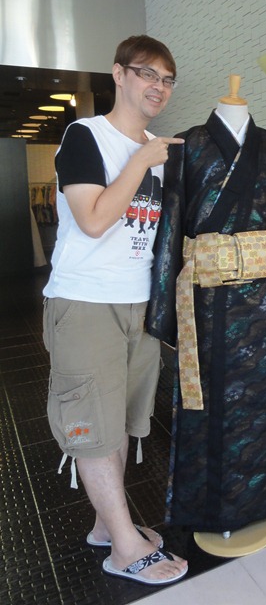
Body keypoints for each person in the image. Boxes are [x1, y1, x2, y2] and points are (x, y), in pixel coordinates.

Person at [42, 35, 188, 586]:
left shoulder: (157, 148)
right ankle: (125, 548)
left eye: (167, 79)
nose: (158, 86)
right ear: (119, 74)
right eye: (147, 73)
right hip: (85, 302)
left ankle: (109, 526)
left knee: (122, 423)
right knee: (94, 429)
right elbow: (95, 220)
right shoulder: (85, 136)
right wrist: (142, 161)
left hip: (137, 304)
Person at [146, 76, 266, 540]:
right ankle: (211, 511)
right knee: (209, 405)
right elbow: (171, 223)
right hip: (207, 302)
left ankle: (263, 499)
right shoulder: (187, 144)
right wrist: (163, 305)